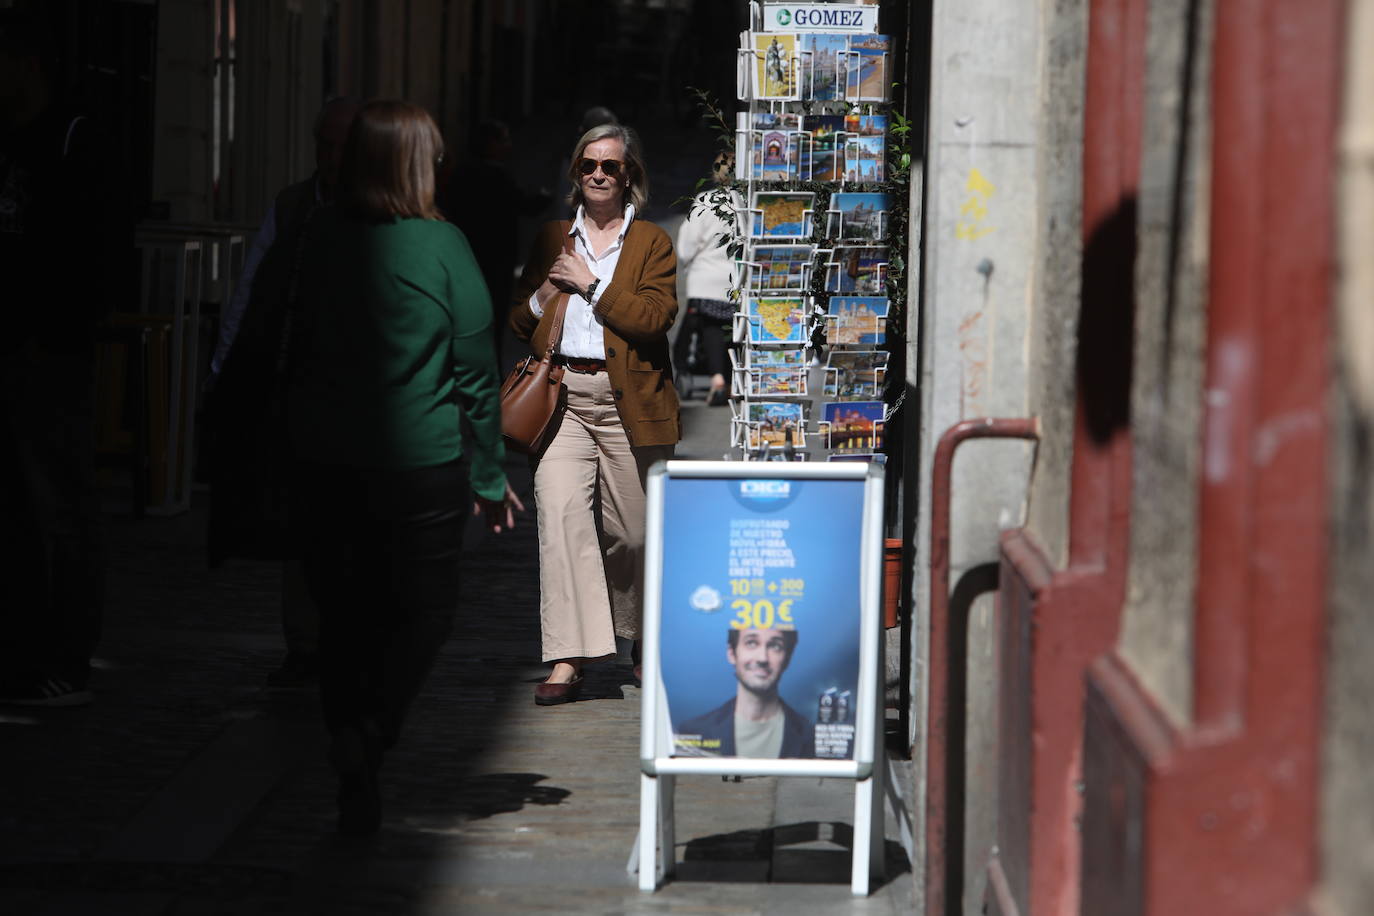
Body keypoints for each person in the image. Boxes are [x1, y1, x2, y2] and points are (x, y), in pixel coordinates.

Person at [287, 99, 522, 834]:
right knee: (424, 611)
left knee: (341, 616)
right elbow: (478, 373)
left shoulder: (321, 234)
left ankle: (350, 745)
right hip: (418, 464)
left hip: (324, 459)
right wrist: (489, 477)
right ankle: (372, 731)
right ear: (420, 165)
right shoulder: (444, 246)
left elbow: (296, 343)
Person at [509, 122, 679, 705]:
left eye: (610, 166)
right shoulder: (554, 236)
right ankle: (567, 657)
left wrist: (590, 285)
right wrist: (546, 295)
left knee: (631, 535)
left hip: (630, 404)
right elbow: (520, 320)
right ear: (576, 175)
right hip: (564, 401)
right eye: (589, 166)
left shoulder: (652, 242)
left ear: (629, 175)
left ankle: (634, 636)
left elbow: (654, 319)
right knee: (560, 521)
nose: (599, 175)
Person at [206, 96, 360, 688]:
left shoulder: (382, 209)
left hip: (357, 395)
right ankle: (304, 645)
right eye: (324, 144)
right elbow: (252, 287)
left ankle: (346, 641)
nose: (330, 157)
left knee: (350, 526)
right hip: (299, 389)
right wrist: (225, 367)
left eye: (341, 147)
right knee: (302, 524)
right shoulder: (293, 204)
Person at [0, 13, 131, 706]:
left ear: (28, 64)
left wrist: (60, 324)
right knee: (19, 508)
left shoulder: (76, 140)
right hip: (20, 346)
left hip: (49, 353)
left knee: (57, 503)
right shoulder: (13, 142)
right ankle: (23, 648)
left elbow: (105, 255)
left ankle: (63, 652)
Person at [443, 118, 551, 369]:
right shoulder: (498, 177)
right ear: (490, 144)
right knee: (492, 319)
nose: (509, 146)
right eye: (503, 140)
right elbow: (525, 205)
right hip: (495, 262)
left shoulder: (461, 175)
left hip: (466, 258)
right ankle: (489, 372)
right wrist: (546, 198)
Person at [676, 626, 816, 759]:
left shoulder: (811, 736)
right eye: (751, 643)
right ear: (731, 653)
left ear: (787, 657)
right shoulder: (692, 733)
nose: (762, 658)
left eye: (775, 646)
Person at [675, 150, 739, 405]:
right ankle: (734, 379)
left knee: (711, 327)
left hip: (706, 279)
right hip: (736, 280)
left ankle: (717, 379)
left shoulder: (706, 200)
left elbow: (688, 243)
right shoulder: (748, 202)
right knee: (735, 331)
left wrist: (688, 261)